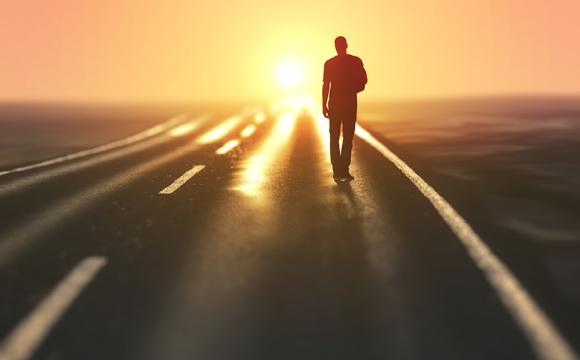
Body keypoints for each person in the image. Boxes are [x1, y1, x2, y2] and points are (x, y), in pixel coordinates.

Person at [322, 36, 367, 181]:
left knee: (337, 137)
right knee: (345, 137)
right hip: (344, 103)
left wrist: (324, 104)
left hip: (340, 103)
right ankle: (341, 169)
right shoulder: (353, 61)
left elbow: (363, 81)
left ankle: (339, 170)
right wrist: (324, 104)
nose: (338, 47)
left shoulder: (337, 63)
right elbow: (363, 82)